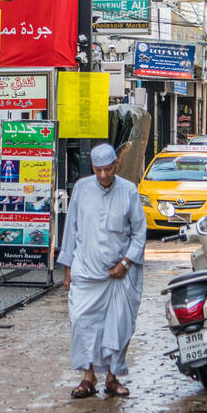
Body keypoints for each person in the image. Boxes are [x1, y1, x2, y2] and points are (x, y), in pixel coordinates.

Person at [56, 142, 147, 399]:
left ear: (116, 166)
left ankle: (112, 377)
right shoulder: (82, 189)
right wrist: (67, 271)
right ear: (93, 168)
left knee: (117, 327)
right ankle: (88, 377)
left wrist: (126, 263)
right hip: (85, 272)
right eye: (99, 170)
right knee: (82, 323)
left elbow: (139, 234)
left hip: (119, 275)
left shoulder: (129, 191)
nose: (104, 176)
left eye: (108, 170)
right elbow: (71, 231)